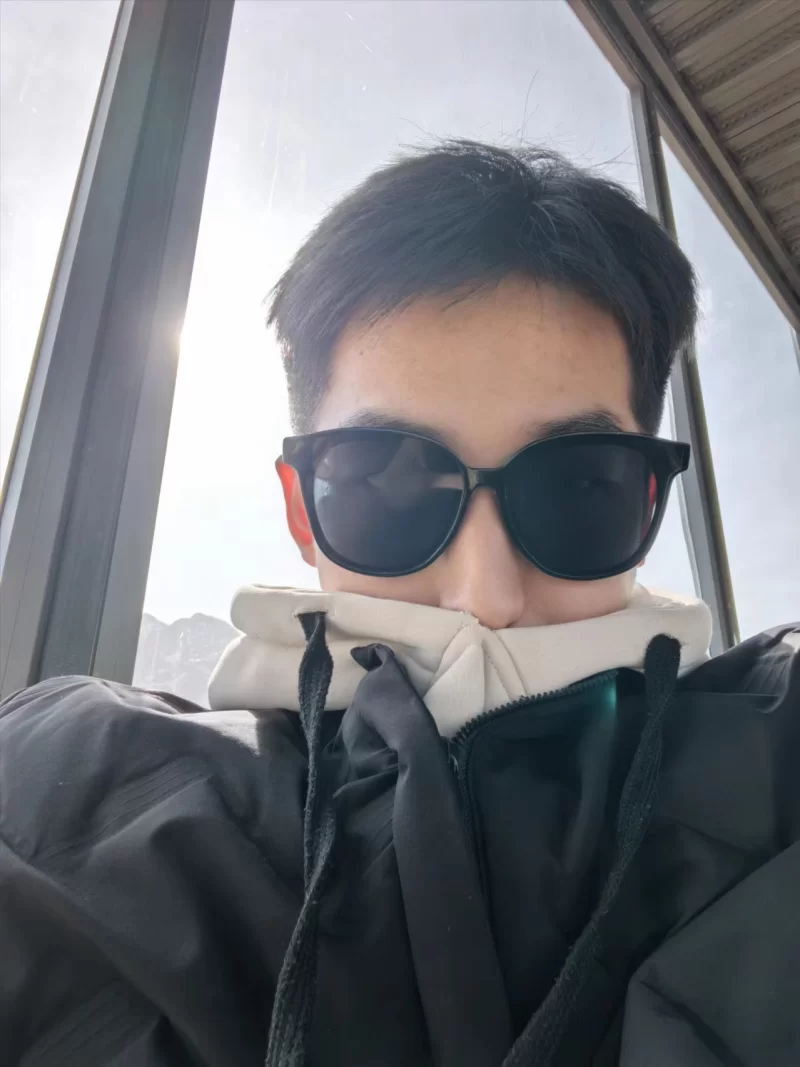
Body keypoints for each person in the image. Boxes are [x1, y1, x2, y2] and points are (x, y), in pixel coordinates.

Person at [0, 140, 797, 1067]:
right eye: (386, 484)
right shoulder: (67, 801)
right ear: (302, 511)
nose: (485, 593)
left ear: (646, 504)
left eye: (580, 488)